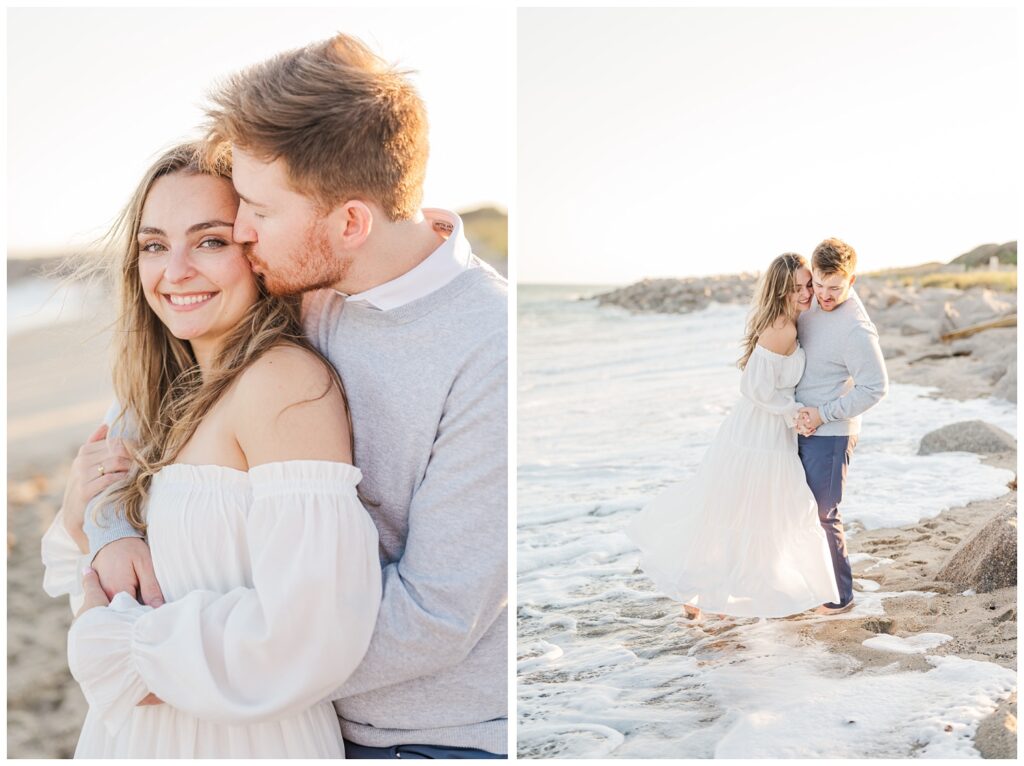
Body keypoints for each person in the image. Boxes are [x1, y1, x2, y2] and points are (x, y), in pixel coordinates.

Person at [80, 34, 508, 758]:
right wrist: (109, 526)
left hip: (427, 737)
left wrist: (183, 665)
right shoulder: (301, 283)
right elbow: (150, 424)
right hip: (283, 715)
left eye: (257, 210)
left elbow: (437, 614)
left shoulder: (488, 347)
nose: (242, 232)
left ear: (350, 223)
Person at [42, 142, 382, 757]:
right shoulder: (157, 396)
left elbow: (313, 632)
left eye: (210, 240)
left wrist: (127, 651)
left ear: (256, 251)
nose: (174, 271)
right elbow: (94, 577)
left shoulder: (282, 384)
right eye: (153, 245)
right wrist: (96, 523)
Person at [626, 253, 839, 620]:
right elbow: (753, 388)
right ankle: (715, 597)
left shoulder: (790, 320)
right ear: (779, 290)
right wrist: (795, 414)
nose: (805, 294)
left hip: (765, 430)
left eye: (808, 285)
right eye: (796, 289)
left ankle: (714, 597)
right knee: (744, 510)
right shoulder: (781, 327)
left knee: (748, 510)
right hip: (758, 433)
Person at [794, 238, 888, 616]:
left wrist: (824, 414)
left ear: (852, 279)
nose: (825, 295)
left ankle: (840, 597)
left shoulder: (856, 329)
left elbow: (876, 388)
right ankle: (804, 584)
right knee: (795, 510)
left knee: (823, 513)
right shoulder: (810, 302)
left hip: (832, 435)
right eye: (819, 284)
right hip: (801, 427)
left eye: (835, 287)